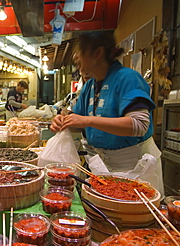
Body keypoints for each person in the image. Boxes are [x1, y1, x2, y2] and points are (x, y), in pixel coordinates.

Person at [50, 31, 164, 194]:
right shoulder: (89, 87)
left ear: (98, 53)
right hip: (102, 167)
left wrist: (88, 121)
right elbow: (78, 122)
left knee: (133, 215)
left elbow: (139, 125)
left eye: (79, 52)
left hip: (136, 167)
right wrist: (63, 121)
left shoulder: (127, 78)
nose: (75, 58)